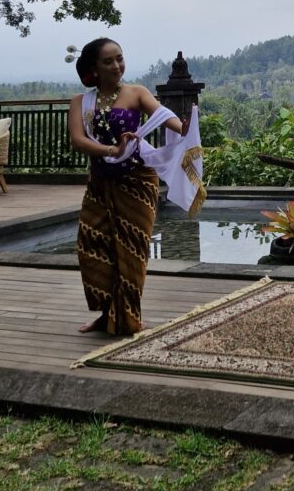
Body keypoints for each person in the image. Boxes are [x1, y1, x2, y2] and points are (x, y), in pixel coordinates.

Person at [68, 38, 201, 335]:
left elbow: (167, 119)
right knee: (92, 249)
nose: (117, 66)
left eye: (120, 58)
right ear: (94, 68)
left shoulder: (136, 93)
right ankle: (106, 315)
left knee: (131, 252)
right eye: (108, 61)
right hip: (100, 185)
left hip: (137, 183)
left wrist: (187, 126)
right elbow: (79, 140)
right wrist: (110, 151)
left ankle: (127, 318)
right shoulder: (81, 102)